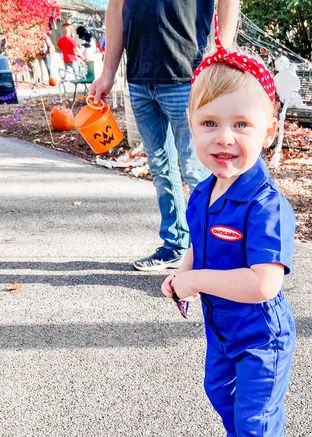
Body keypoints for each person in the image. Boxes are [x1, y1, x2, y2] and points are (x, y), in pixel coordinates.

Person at [161, 20, 297, 437]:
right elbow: (197, 242)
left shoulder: (266, 206)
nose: (224, 138)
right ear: (191, 128)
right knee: (218, 392)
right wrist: (186, 275)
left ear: (268, 130)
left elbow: (263, 284)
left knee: (257, 418)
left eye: (242, 123)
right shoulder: (202, 192)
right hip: (221, 326)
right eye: (209, 123)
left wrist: (194, 279)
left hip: (262, 335)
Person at [89, 0, 240, 271]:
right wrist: (108, 73)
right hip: (139, 79)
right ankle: (175, 245)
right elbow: (115, 8)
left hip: (187, 76)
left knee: (198, 171)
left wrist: (222, 51)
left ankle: (213, 256)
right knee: (161, 168)